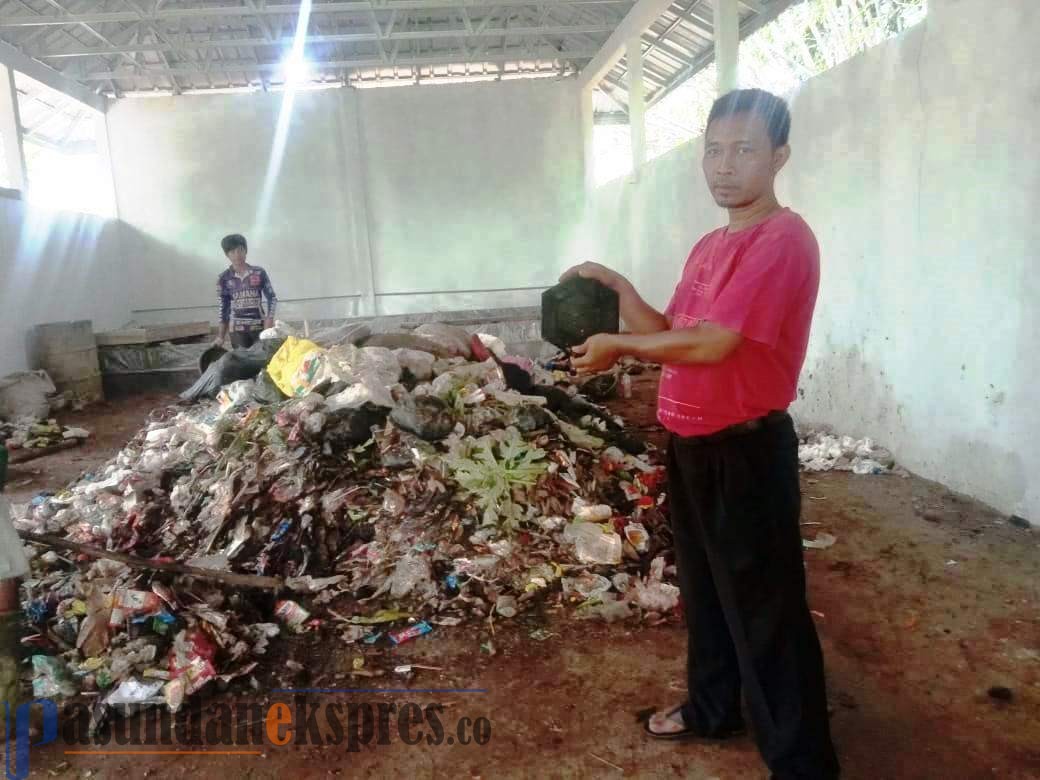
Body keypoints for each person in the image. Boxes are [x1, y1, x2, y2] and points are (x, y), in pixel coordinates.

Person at [562, 88, 840, 779]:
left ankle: (802, 761)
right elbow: (673, 332)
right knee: (709, 594)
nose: (724, 165)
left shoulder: (783, 240)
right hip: (691, 448)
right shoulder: (712, 245)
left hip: (745, 450)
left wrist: (620, 350)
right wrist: (622, 294)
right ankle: (714, 708)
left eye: (744, 150)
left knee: (767, 608)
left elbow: (714, 345)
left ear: (779, 157)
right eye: (713, 149)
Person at [215, 234, 278, 350]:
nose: (237, 255)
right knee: (243, 363)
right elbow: (223, 308)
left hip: (259, 328)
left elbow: (272, 298)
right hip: (237, 332)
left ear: (246, 251)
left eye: (240, 250)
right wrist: (220, 336)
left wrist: (269, 319)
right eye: (232, 252)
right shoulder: (224, 278)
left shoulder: (259, 272)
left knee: (262, 362)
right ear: (226, 254)